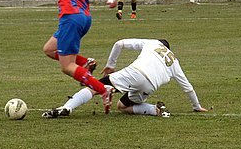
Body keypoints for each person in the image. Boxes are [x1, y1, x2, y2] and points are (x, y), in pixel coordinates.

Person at [8, 0, 117, 113]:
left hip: (70, 17)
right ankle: (85, 62)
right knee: (50, 49)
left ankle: (103, 89)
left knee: (67, 67)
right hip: (84, 18)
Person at [43, 38, 208, 118]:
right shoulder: (174, 62)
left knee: (93, 88)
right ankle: (154, 110)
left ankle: (67, 108)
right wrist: (197, 106)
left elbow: (120, 43)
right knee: (122, 106)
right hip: (150, 86)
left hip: (135, 73)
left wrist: (111, 65)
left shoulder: (153, 43)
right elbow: (188, 87)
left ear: (160, 43)